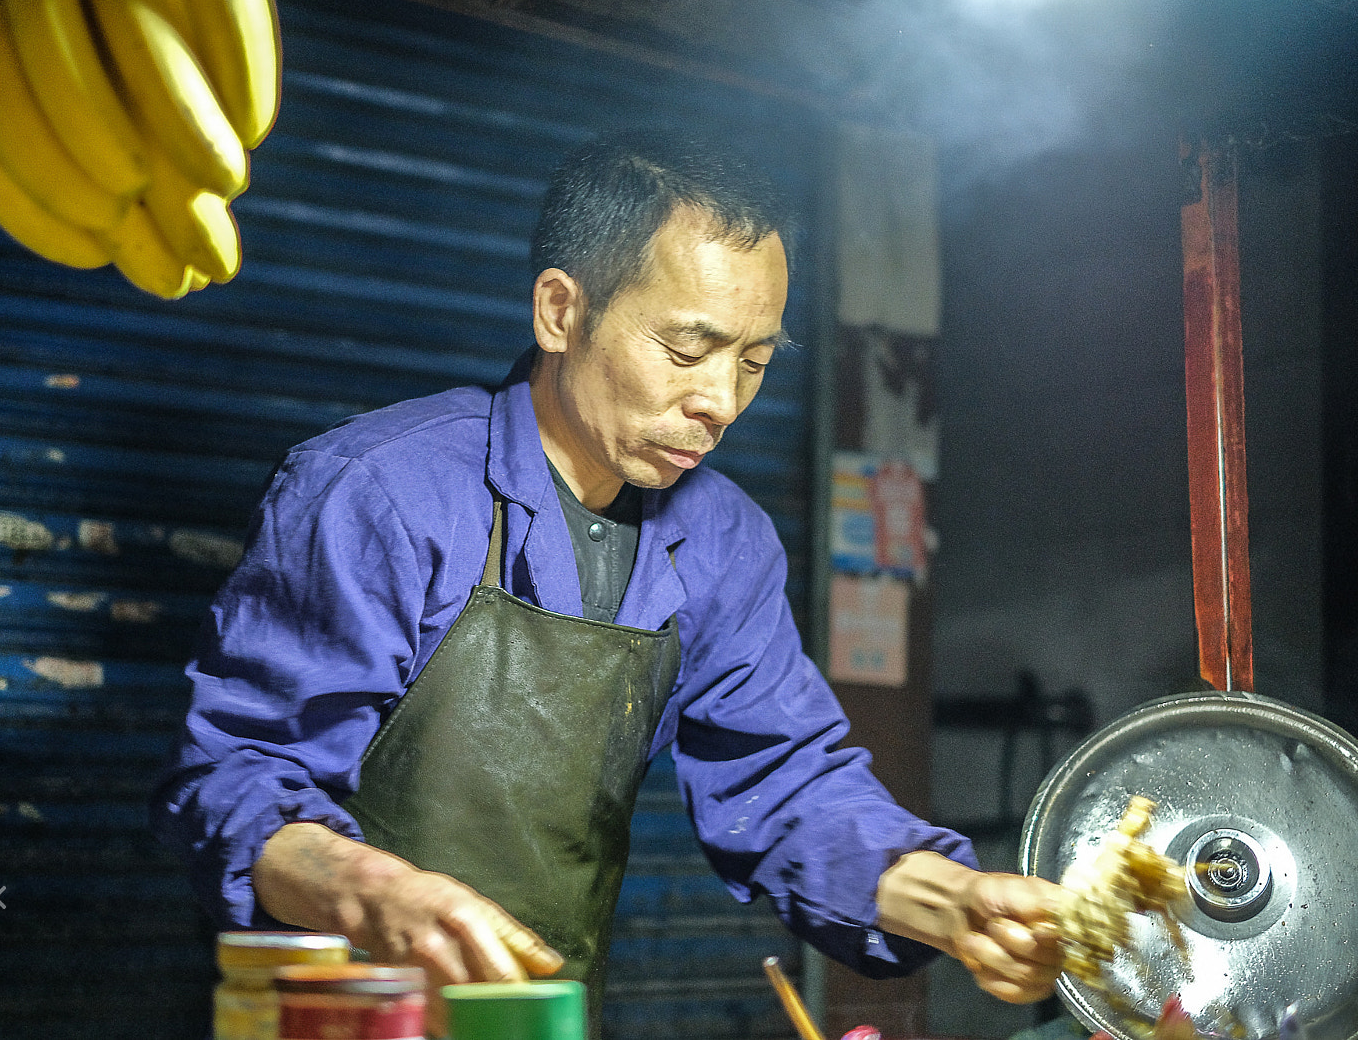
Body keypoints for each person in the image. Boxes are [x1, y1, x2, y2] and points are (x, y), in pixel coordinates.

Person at [152, 129, 1063, 1036]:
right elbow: (237, 778)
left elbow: (786, 782)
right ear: (560, 312)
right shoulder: (382, 492)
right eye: (686, 348)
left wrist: (957, 902)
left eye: (752, 361)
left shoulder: (722, 540)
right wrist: (372, 892)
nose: (721, 402)